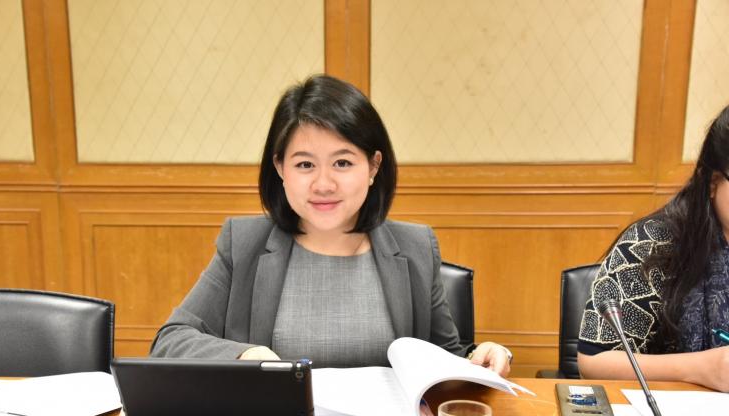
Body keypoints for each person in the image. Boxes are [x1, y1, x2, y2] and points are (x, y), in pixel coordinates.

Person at [150, 74, 512, 376]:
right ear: (280, 168)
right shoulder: (244, 244)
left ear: (373, 166)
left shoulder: (416, 246)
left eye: (342, 163)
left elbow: (447, 355)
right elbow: (170, 341)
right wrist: (244, 355)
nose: (323, 184)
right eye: (305, 165)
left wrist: (481, 355)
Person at [577, 104, 729, 392]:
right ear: (712, 182)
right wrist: (702, 367)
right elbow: (594, 360)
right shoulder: (654, 244)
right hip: (666, 410)